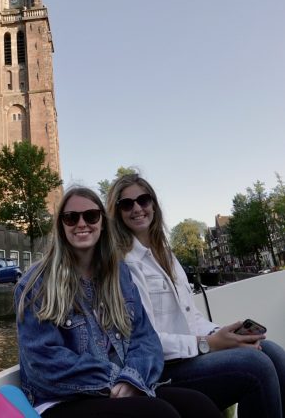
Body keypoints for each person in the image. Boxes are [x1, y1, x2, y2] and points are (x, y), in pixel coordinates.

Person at [15, 186, 222, 418]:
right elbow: (43, 362)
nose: (81, 223)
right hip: (62, 401)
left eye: (91, 216)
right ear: (61, 227)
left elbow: (145, 339)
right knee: (159, 414)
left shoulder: (119, 275)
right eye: (71, 218)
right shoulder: (37, 283)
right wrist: (116, 380)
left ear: (102, 223)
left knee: (199, 406)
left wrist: (132, 378)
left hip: (120, 387)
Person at [107, 172, 285, 418]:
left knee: (271, 351)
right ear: (117, 213)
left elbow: (191, 317)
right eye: (127, 204)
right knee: (257, 367)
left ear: (153, 204)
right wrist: (208, 344)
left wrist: (224, 334)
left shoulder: (165, 254)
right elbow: (143, 341)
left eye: (143, 200)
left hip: (190, 354)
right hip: (162, 368)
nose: (137, 208)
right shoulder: (123, 263)